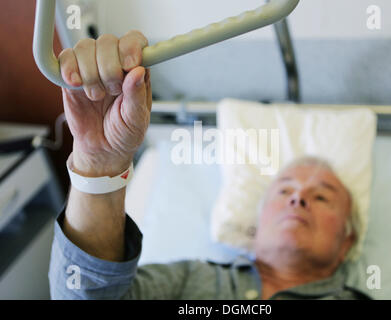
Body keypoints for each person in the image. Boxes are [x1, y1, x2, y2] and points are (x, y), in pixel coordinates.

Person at [49, 31, 370, 300]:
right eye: (284, 190)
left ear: (348, 241)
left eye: (323, 196)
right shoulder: (187, 282)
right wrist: (99, 160)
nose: (298, 199)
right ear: (256, 224)